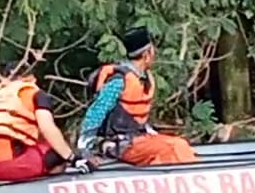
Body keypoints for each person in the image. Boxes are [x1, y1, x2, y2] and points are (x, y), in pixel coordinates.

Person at [78, 26, 198, 166]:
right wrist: (85, 149)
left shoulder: (144, 77)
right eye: (153, 50)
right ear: (147, 54)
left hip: (139, 138)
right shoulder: (119, 81)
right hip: (119, 143)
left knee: (180, 145)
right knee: (170, 150)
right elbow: (95, 113)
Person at [0, 61, 88, 182]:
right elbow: (47, 128)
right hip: (9, 165)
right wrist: (72, 158)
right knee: (58, 153)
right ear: (32, 78)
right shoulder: (32, 92)